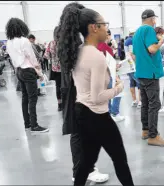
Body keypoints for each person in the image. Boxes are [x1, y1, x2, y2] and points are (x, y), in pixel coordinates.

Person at [56, 4, 134, 186]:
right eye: (104, 24)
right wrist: (118, 88)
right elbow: (98, 96)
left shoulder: (78, 52)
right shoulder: (96, 56)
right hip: (96, 115)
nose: (106, 28)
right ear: (93, 27)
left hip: (82, 111)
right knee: (119, 159)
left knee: (86, 162)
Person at [56, 2, 109, 184]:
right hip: (79, 90)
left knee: (79, 132)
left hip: (71, 88)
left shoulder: (64, 36)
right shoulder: (77, 39)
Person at [132, 9, 164, 146]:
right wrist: (161, 41)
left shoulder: (136, 33)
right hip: (150, 74)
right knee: (155, 104)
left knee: (146, 103)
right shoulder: (148, 30)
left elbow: (134, 54)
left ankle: (145, 130)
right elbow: (152, 49)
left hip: (141, 73)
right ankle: (153, 136)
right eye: (154, 19)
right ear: (152, 19)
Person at [6, 18, 49, 133]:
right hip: (28, 71)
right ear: (22, 27)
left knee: (25, 98)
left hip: (19, 71)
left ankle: (27, 123)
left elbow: (13, 59)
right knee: (32, 98)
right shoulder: (24, 41)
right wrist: (39, 71)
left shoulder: (9, 42)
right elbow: (32, 58)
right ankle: (34, 125)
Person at [97, 41, 125, 122]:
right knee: (117, 91)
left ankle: (111, 113)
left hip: (105, 74)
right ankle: (114, 113)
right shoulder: (102, 46)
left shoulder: (97, 45)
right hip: (108, 74)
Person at [44, 26, 63, 111]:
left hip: (55, 69)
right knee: (66, 86)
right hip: (65, 69)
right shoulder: (64, 43)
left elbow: (46, 56)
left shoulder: (51, 43)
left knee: (57, 86)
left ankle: (59, 105)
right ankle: (66, 103)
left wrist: (53, 58)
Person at [125, 30, 142, 108]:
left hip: (128, 65)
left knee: (132, 83)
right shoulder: (132, 41)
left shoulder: (126, 41)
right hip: (133, 65)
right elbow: (132, 54)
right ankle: (140, 101)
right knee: (139, 83)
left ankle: (134, 101)